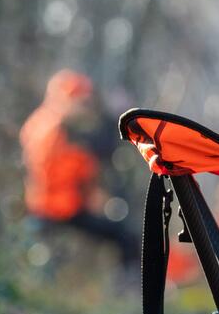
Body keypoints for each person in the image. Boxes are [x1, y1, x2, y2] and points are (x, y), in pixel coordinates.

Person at [20, 70, 139, 268]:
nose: (85, 108)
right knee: (125, 237)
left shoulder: (48, 124)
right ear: (65, 100)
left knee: (125, 236)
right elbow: (81, 160)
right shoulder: (50, 128)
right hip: (54, 208)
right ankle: (130, 286)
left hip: (60, 205)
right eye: (81, 102)